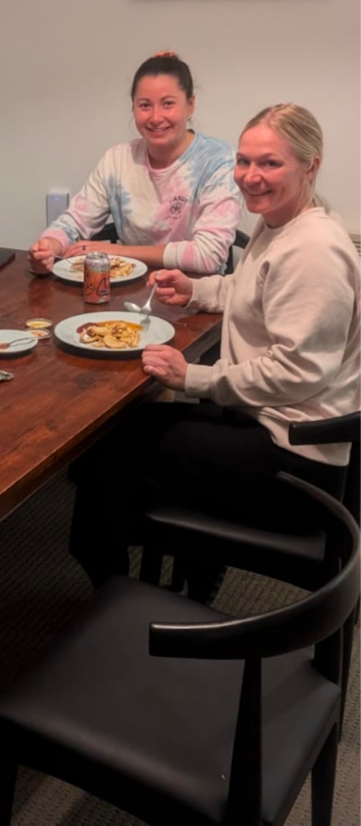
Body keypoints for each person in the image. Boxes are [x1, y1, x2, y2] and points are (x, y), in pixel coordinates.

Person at [69, 104, 361, 588]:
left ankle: (120, 595)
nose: (250, 176)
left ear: (311, 164)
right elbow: (255, 293)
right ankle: (192, 574)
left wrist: (194, 378)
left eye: (270, 163)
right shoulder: (284, 222)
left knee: (103, 462)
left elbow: (296, 373)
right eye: (244, 161)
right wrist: (198, 289)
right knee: (124, 435)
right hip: (268, 425)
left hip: (297, 467)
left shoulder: (315, 250)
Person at [29, 52, 241, 276]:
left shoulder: (218, 160)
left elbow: (208, 256)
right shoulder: (118, 159)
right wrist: (49, 246)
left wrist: (118, 251)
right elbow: (75, 221)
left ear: (190, 105)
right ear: (133, 108)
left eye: (168, 104)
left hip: (196, 295)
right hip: (128, 291)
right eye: (145, 105)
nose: (156, 117)